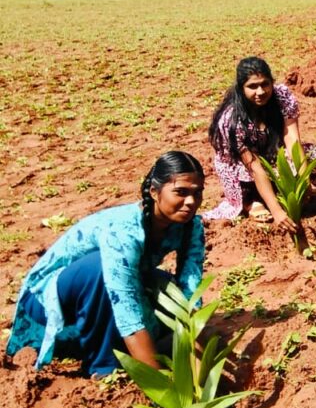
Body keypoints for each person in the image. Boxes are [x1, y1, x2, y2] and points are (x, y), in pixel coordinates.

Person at [6, 151, 206, 378]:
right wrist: (159, 383)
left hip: (110, 289)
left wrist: (199, 364)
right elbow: (126, 307)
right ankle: (103, 366)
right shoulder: (123, 232)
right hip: (52, 298)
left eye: (197, 193)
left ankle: (104, 343)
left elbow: (190, 294)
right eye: (180, 192)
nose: (191, 202)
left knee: (167, 286)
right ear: (154, 192)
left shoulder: (192, 227)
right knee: (99, 269)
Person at [206, 57, 316, 230]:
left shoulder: (282, 96)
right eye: (252, 86)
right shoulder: (231, 119)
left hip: (272, 153)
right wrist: (276, 211)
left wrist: (303, 180)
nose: (260, 92)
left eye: (264, 84)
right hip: (245, 165)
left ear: (272, 82)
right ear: (241, 88)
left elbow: (292, 140)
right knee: (246, 177)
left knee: (314, 157)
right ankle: (250, 202)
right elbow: (255, 167)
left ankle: (279, 194)